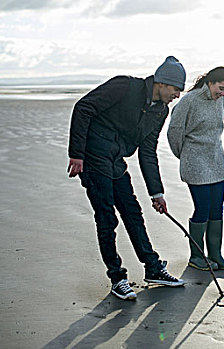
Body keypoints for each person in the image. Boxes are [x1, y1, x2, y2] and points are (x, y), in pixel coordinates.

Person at [67, 56, 186, 300]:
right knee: (107, 219)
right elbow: (84, 108)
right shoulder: (125, 87)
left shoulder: (160, 111)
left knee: (132, 213)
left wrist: (157, 193)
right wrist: (76, 154)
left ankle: (153, 268)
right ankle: (117, 278)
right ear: (162, 83)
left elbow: (147, 151)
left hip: (115, 162)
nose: (177, 95)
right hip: (93, 159)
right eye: (175, 89)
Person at [167, 66, 224, 271]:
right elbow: (174, 133)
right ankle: (197, 257)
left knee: (217, 209)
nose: (222, 94)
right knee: (202, 209)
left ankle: (216, 255)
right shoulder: (189, 101)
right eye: (220, 88)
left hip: (216, 161)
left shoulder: (221, 101)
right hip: (195, 163)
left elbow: (218, 127)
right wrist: (186, 156)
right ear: (210, 82)